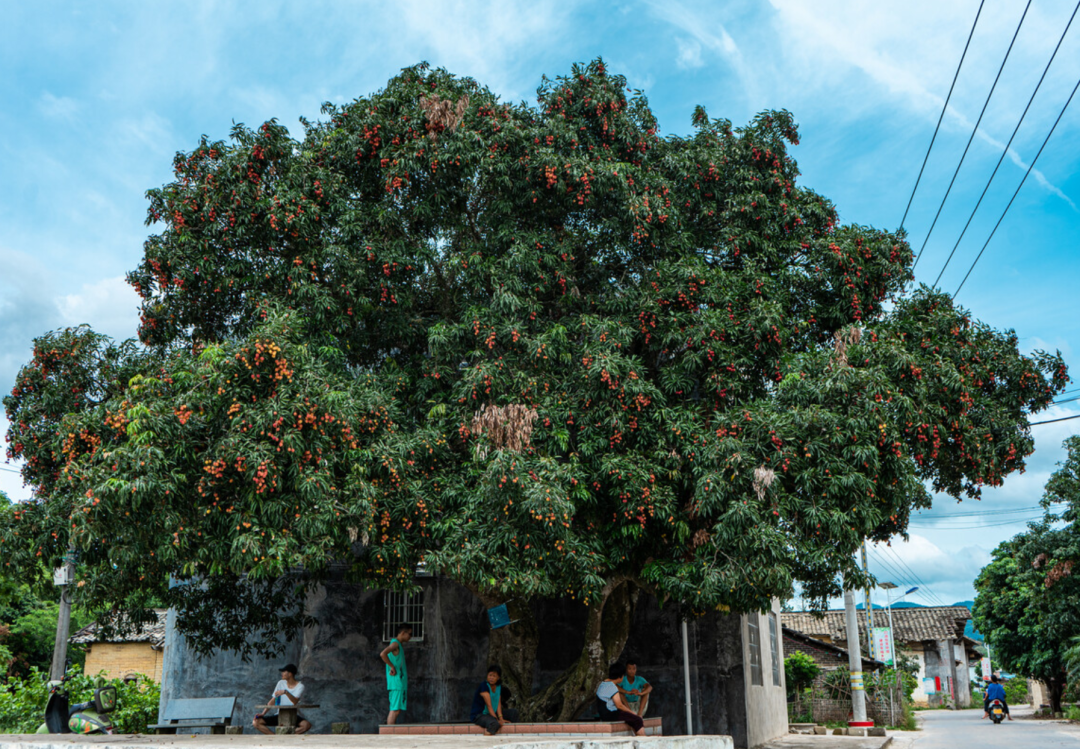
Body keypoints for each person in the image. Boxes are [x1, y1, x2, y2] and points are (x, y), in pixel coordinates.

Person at [253, 663, 311, 735]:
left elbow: (295, 701)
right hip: (279, 715)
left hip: (292, 716)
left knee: (306, 725)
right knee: (256, 722)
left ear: (290, 674)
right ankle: (276, 738)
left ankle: (288, 736)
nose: (282, 673)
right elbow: (273, 700)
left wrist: (285, 692)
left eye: (284, 671)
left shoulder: (300, 686)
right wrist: (263, 713)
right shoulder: (280, 683)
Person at [595, 663, 645, 736]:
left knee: (632, 720)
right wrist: (633, 713)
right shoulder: (612, 687)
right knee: (638, 720)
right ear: (620, 676)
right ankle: (644, 740)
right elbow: (619, 705)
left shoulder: (603, 684)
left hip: (605, 715)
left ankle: (638, 737)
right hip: (611, 714)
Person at [380, 624, 412, 725]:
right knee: (394, 710)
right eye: (410, 634)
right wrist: (392, 666)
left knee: (396, 709)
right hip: (397, 683)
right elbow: (383, 654)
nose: (410, 637)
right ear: (403, 633)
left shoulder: (398, 645)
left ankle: (390, 733)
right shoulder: (395, 644)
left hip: (398, 682)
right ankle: (389, 735)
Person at [470, 665, 513, 735]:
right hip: (480, 715)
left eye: (494, 676)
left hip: (492, 714)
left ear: (498, 678)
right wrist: (497, 720)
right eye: (490, 675)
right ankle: (486, 738)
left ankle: (514, 735)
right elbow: (489, 706)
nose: (491, 678)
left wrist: (501, 718)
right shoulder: (484, 686)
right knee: (494, 724)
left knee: (513, 713)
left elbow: (498, 703)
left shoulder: (498, 687)